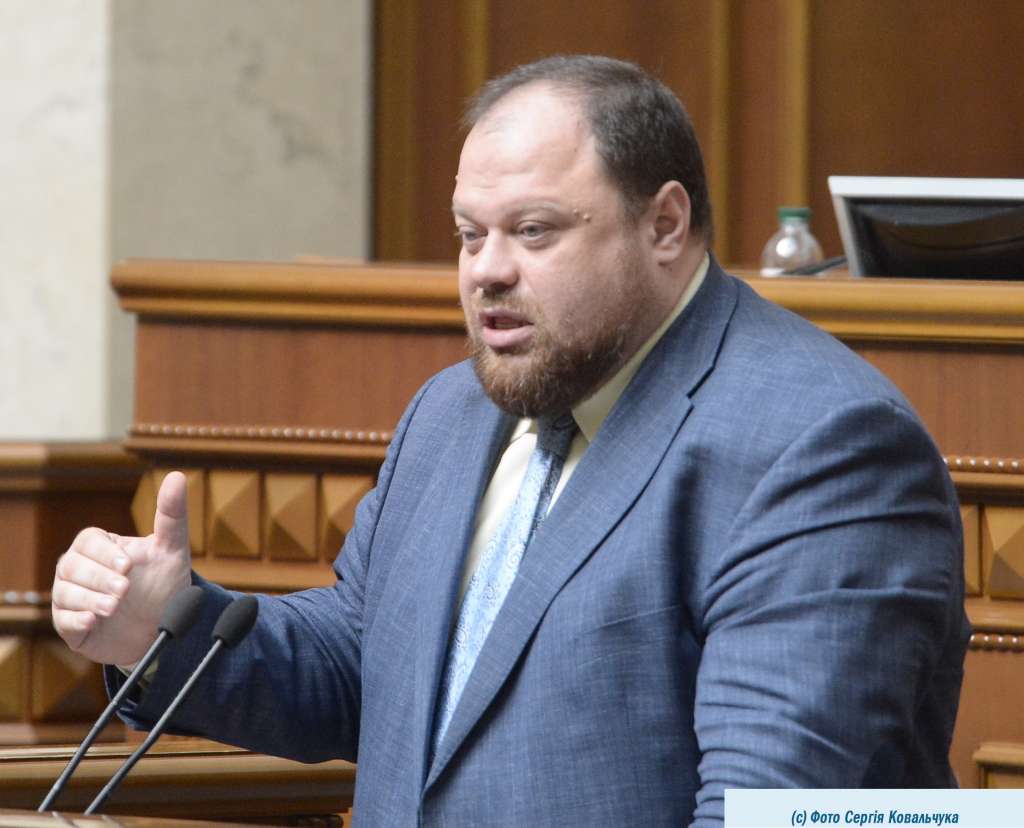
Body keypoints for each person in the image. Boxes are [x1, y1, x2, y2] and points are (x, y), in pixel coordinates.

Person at [52, 55, 969, 826]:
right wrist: (166, 630)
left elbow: (765, 806)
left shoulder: (820, 446)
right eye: (469, 234)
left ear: (664, 224)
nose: (486, 271)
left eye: (533, 232)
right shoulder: (453, 412)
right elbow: (366, 665)